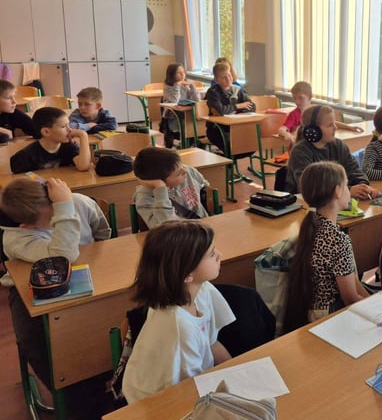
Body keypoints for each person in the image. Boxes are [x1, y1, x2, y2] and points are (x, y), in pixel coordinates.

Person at [1, 177, 111, 391]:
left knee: (106, 319)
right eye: (53, 218)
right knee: (40, 342)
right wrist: (64, 209)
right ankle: (71, 390)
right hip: (29, 287)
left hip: (86, 273)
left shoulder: (78, 201)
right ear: (27, 226)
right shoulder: (16, 238)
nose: (58, 220)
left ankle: (105, 373)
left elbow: (103, 232)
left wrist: (67, 204)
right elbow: (64, 256)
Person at [122, 221, 235, 403]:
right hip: (157, 403)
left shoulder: (202, 290)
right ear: (187, 274)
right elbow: (188, 393)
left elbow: (212, 342)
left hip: (193, 385)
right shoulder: (179, 327)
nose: (219, 255)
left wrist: (235, 372)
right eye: (212, 254)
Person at [283, 162, 368, 332]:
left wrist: (373, 299)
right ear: (337, 192)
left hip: (311, 312)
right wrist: (376, 310)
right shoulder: (337, 240)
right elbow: (350, 299)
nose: (348, 190)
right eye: (346, 185)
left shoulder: (312, 226)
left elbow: (352, 279)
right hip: (330, 316)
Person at [285, 105, 377, 199]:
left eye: (334, 123)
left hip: (336, 200)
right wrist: (348, 190)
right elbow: (310, 188)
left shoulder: (339, 145)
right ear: (314, 130)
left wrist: (363, 186)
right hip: (307, 202)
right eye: (330, 125)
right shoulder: (300, 152)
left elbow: (354, 171)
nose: (335, 127)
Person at [132, 147, 209, 228]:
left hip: (202, 226)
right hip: (177, 233)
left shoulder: (188, 172)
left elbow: (206, 190)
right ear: (160, 181)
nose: (185, 171)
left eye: (182, 166)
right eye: (178, 174)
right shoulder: (145, 198)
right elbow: (163, 228)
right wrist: (160, 189)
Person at [277, 81, 363, 145]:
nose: (297, 102)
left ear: (310, 97)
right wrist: (287, 134)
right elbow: (281, 129)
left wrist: (349, 127)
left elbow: (331, 123)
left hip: (316, 145)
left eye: (301, 98)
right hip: (299, 147)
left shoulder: (316, 111)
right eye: (295, 98)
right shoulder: (294, 115)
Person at [10, 107, 91, 174]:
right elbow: (24, 180)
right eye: (63, 127)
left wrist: (83, 135)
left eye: (68, 125)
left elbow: (83, 167)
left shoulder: (70, 146)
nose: (70, 130)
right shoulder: (26, 156)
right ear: (46, 132)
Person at [204, 62, 254, 152]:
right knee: (231, 147)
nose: (228, 79)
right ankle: (228, 158)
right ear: (216, 80)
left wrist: (238, 112)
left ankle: (229, 157)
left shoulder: (237, 90)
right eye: (223, 77)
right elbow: (221, 110)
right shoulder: (213, 92)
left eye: (229, 75)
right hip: (218, 128)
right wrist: (238, 106)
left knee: (251, 144)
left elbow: (252, 106)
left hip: (237, 125)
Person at [160, 63, 200, 148]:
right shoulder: (168, 88)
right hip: (174, 118)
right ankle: (186, 146)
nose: (182, 75)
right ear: (172, 75)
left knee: (200, 125)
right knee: (190, 127)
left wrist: (192, 86)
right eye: (179, 73)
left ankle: (193, 145)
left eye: (183, 72)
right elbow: (175, 100)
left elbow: (197, 100)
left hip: (187, 115)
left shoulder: (186, 86)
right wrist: (177, 85)